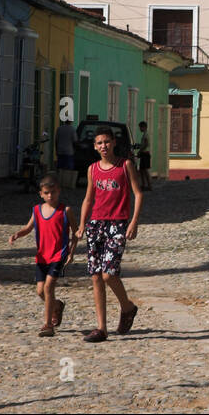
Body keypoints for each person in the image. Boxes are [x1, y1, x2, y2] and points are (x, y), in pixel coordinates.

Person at [76, 128, 143, 343]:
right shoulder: (93, 169)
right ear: (95, 147)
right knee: (96, 275)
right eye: (99, 143)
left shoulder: (125, 166)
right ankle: (101, 328)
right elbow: (88, 198)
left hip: (118, 224)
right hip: (96, 224)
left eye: (106, 142)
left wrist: (134, 222)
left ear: (113, 143)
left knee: (109, 273)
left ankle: (127, 307)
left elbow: (138, 193)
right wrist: (81, 224)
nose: (103, 146)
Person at [9, 174, 78, 337]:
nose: (50, 196)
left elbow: (76, 233)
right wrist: (17, 234)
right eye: (46, 193)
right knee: (40, 291)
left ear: (59, 191)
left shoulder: (65, 211)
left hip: (58, 255)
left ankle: (47, 325)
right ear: (41, 193)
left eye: (53, 192)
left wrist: (71, 252)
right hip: (42, 257)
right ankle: (57, 306)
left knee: (48, 287)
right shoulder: (37, 210)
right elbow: (28, 227)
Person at [55, 117, 77, 191]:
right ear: (70, 122)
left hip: (60, 150)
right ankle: (67, 183)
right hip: (69, 151)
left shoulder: (59, 129)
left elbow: (56, 141)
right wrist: (75, 150)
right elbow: (75, 141)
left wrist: (56, 150)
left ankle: (59, 182)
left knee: (60, 168)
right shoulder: (72, 129)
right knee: (68, 168)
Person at [136, 121, 152, 192]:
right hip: (144, 153)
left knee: (145, 170)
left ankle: (149, 185)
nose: (140, 129)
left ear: (144, 127)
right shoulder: (145, 134)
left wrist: (140, 151)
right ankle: (143, 185)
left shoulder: (146, 135)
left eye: (140, 127)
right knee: (142, 170)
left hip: (145, 153)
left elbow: (145, 144)